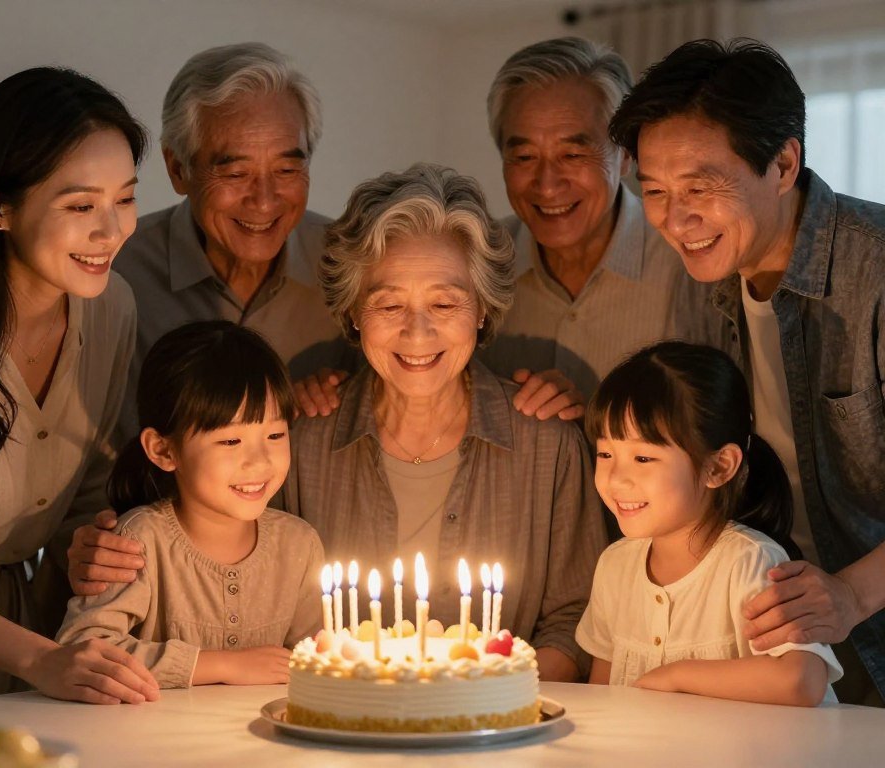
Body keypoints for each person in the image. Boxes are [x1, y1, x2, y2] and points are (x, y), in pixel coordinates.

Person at [609, 38, 885, 705]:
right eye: (653, 191)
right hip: (796, 648)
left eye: (701, 187)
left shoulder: (873, 271)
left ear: (784, 163)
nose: (676, 220)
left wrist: (850, 592)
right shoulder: (703, 283)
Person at [283, 163, 607, 682]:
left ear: (481, 309)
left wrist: (484, 701)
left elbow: (576, 619)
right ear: (352, 314)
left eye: (444, 302)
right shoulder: (300, 443)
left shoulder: (549, 445)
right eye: (388, 303)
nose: (417, 331)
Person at [69, 42, 355, 598]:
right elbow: (69, 446)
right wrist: (77, 540)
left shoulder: (352, 267)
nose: (264, 199)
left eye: (287, 168)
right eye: (236, 171)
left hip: (302, 583)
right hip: (148, 582)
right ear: (179, 168)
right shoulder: (110, 271)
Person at [0, 67, 159, 704]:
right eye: (81, 206)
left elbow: (88, 494)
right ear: (0, 206)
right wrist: (44, 661)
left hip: (22, 641)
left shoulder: (112, 309)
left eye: (126, 198)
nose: (111, 232)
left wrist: (88, 547)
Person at [57, 321, 323, 687]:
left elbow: (319, 656)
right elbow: (83, 647)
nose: (260, 461)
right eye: (231, 442)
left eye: (275, 434)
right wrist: (222, 666)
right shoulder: (140, 541)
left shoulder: (299, 545)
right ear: (164, 450)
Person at [577, 341, 842, 706]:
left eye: (642, 457)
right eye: (606, 453)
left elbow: (800, 680)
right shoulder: (614, 566)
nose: (617, 478)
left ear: (718, 467)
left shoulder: (750, 561)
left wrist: (676, 675)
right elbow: (602, 694)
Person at [477, 37, 731, 409]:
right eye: (525, 157)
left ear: (627, 155)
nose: (547, 185)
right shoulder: (474, 267)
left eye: (573, 153)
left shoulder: (694, 268)